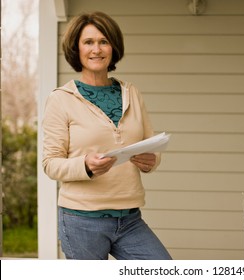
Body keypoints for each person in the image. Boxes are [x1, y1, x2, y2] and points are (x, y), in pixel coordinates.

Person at [42, 11, 172, 260]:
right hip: (81, 221)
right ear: (76, 49)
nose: (97, 49)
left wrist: (151, 161)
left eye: (104, 41)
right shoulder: (60, 99)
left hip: (130, 218)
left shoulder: (131, 92)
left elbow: (151, 145)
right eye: (88, 42)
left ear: (113, 47)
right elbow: (51, 164)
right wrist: (85, 166)